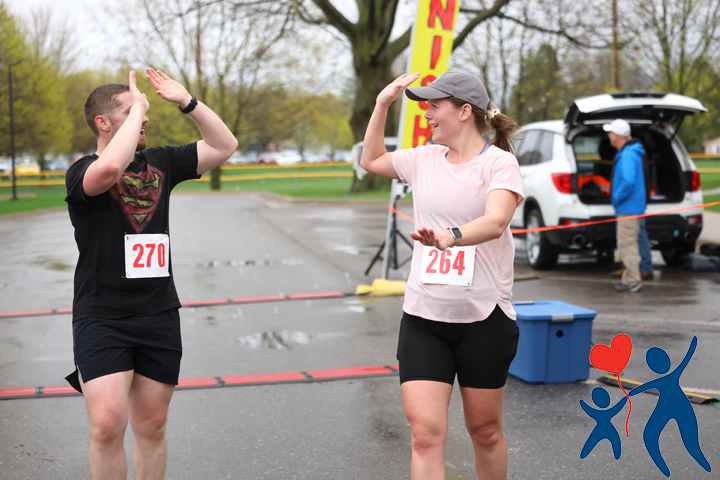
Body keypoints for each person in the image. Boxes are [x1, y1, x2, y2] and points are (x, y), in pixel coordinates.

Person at [64, 68, 237, 479]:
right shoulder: (81, 171)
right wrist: (140, 105)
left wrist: (188, 103)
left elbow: (224, 145)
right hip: (102, 316)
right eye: (132, 112)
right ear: (103, 123)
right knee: (107, 426)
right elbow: (110, 169)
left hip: (158, 313)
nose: (145, 117)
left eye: (143, 111)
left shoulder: (161, 161)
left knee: (152, 425)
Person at [360, 71, 524, 479]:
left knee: (485, 432)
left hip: (484, 318)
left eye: (435, 106)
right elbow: (371, 160)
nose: (427, 114)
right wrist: (382, 104)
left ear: (464, 111)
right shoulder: (423, 159)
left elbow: (497, 221)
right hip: (424, 319)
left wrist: (452, 237)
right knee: (424, 436)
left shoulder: (499, 163)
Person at [629, 337, 711, 477]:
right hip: (677, 406)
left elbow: (641, 388)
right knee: (654, 436)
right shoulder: (671, 375)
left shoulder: (665, 378)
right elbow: (686, 358)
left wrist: (630, 394)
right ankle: (668, 469)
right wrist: (693, 344)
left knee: (652, 436)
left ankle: (698, 465)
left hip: (670, 407)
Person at [604, 119, 646, 292]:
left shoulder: (627, 155)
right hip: (631, 207)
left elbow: (628, 182)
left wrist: (615, 198)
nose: (609, 136)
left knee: (626, 244)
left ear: (617, 135)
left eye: (610, 133)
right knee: (629, 243)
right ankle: (629, 279)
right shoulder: (629, 153)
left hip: (628, 208)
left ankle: (633, 281)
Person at [579, 387, 627, 460]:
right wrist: (625, 398)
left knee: (590, 443)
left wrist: (582, 403)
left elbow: (587, 409)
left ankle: (583, 454)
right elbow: (618, 406)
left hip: (599, 429)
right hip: (609, 428)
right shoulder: (609, 412)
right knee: (616, 442)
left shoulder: (596, 413)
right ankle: (617, 456)